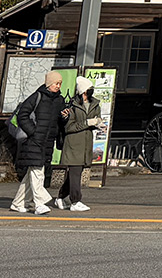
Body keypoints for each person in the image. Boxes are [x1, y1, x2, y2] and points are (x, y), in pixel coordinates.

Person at [10, 71, 68, 215]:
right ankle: (39, 203)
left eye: (60, 83)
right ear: (49, 83)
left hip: (47, 141)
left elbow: (59, 121)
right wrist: (33, 131)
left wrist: (64, 117)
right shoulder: (37, 96)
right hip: (34, 141)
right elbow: (22, 114)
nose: (58, 86)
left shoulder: (59, 100)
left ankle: (17, 203)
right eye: (56, 83)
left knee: (31, 175)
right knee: (37, 172)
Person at [54, 77, 100, 212]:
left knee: (75, 174)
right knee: (75, 173)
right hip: (74, 144)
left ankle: (61, 197)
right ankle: (75, 200)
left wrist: (98, 123)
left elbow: (96, 119)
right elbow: (69, 127)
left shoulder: (95, 104)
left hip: (86, 143)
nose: (91, 93)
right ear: (83, 92)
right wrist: (87, 123)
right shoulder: (72, 106)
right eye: (88, 90)